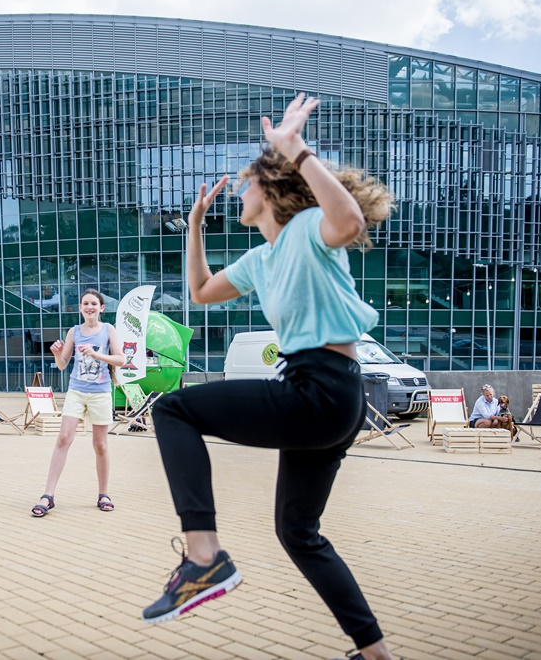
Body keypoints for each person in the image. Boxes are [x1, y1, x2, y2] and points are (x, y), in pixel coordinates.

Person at [141, 94, 395, 660]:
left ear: (272, 188)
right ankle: (375, 652)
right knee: (298, 532)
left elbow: (350, 220)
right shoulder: (262, 258)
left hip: (322, 390)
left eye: (246, 181)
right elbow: (203, 292)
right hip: (326, 399)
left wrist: (295, 148)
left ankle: (203, 556)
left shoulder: (309, 227)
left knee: (173, 408)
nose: (237, 188)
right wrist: (194, 228)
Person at [30, 289, 124, 517]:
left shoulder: (108, 330)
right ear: (80, 308)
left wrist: (96, 354)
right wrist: (57, 353)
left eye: (94, 303)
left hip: (101, 393)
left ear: (101, 308)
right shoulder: (74, 331)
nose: (89, 307)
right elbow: (62, 364)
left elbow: (120, 360)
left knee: (100, 445)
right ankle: (48, 495)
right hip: (77, 391)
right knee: (63, 438)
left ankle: (103, 494)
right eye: (85, 303)